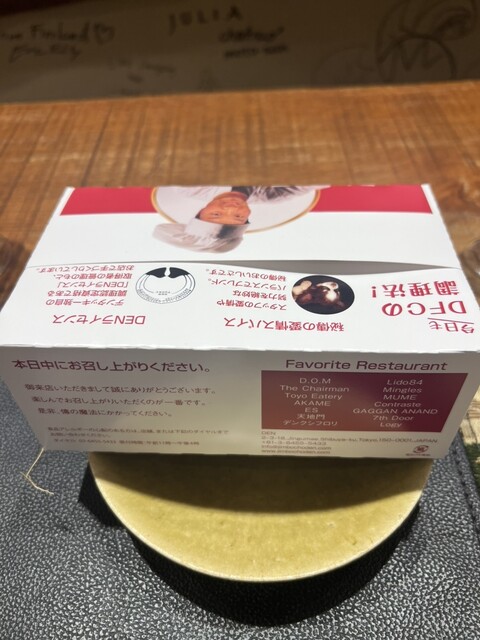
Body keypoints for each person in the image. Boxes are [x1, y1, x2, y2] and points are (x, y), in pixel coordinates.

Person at [154, 186, 314, 253]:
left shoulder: (188, 188)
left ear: (201, 211)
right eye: (238, 216)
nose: (230, 208)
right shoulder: (275, 194)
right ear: (248, 215)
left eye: (216, 214)